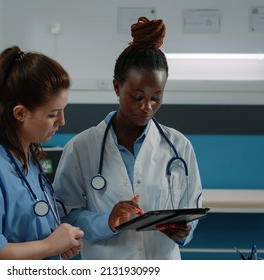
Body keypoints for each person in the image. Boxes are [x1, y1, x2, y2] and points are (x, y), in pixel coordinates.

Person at [53, 17, 203, 260]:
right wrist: (107, 222)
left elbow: (191, 211)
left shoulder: (179, 147)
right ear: (116, 87)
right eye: (137, 96)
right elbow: (64, 216)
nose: (147, 107)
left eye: (156, 97)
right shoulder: (81, 148)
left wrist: (184, 231)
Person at [0, 45, 84, 260]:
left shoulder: (27, 159)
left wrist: (59, 244)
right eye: (53, 114)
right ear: (20, 113)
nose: (62, 121)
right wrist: (50, 246)